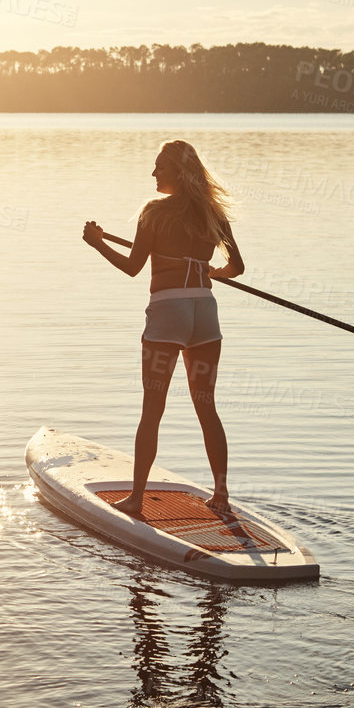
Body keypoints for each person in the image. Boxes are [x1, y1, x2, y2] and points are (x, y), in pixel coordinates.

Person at [82, 139, 243, 516]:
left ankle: (136, 499)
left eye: (160, 167)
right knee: (207, 408)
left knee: (152, 408)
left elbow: (133, 267)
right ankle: (221, 494)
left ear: (179, 172)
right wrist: (212, 271)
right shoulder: (214, 215)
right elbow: (237, 267)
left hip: (168, 312)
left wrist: (96, 243)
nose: (153, 173)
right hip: (204, 313)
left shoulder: (153, 212)